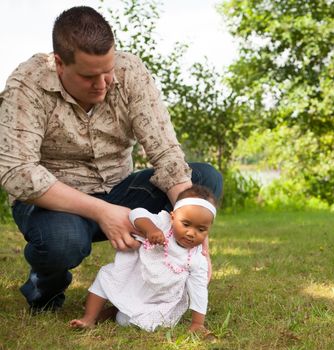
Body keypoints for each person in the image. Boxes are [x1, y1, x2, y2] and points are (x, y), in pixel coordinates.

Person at [0, 6, 222, 313]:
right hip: (55, 202)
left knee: (203, 181)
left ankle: (154, 281)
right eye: (90, 76)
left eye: (108, 71)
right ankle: (45, 290)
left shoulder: (131, 72)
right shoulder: (28, 84)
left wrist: (200, 244)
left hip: (120, 191)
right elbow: (17, 172)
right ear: (60, 63)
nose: (103, 83)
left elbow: (166, 154)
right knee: (62, 240)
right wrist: (102, 212)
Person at [70, 185, 216, 333]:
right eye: (186, 224)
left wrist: (198, 323)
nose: (191, 233)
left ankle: (115, 312)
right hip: (135, 278)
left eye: (201, 229)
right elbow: (136, 213)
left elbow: (199, 290)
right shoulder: (163, 224)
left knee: (126, 322)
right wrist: (150, 228)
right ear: (173, 217)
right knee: (105, 278)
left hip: (159, 298)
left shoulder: (197, 259)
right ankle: (89, 318)